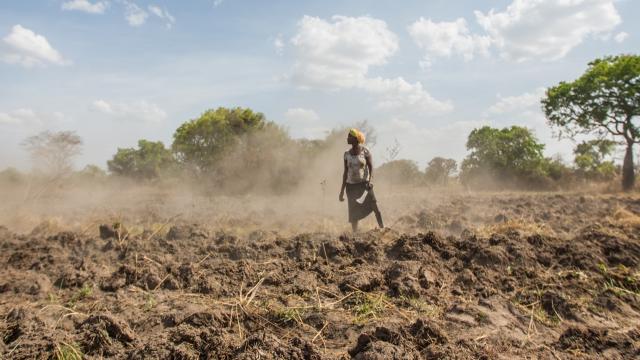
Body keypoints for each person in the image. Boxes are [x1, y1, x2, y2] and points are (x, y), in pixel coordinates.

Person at [339, 128, 384, 232]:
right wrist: (341, 191)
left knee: (375, 206)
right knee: (353, 212)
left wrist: (370, 181)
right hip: (351, 186)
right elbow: (345, 172)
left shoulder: (365, 151)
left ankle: (383, 229)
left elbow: (371, 167)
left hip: (365, 185)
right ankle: (355, 235)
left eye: (349, 136)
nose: (347, 138)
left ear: (355, 139)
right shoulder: (346, 154)